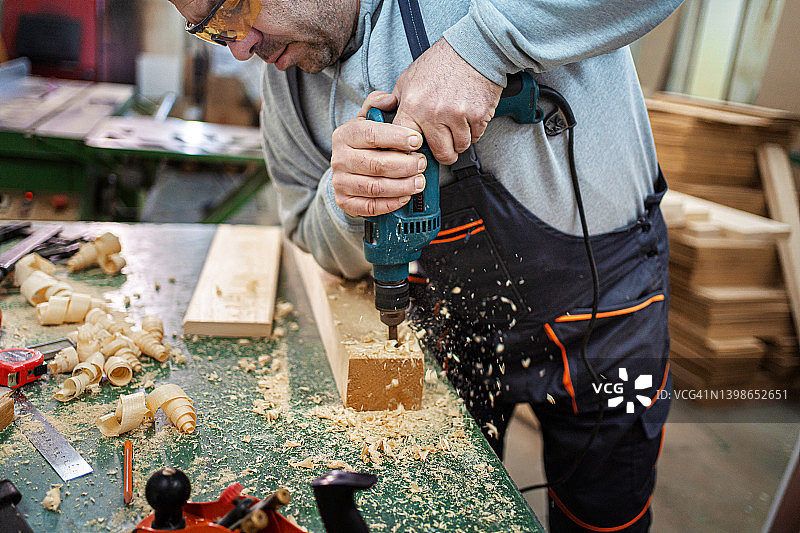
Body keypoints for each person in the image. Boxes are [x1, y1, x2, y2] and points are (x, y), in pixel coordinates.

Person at [169, 0, 683, 530]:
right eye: (212, 31)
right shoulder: (288, 86)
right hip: (451, 329)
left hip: (606, 320)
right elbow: (303, 225)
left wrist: (481, 47)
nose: (239, 48)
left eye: (233, 9)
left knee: (604, 518)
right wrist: (347, 202)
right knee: (454, 513)